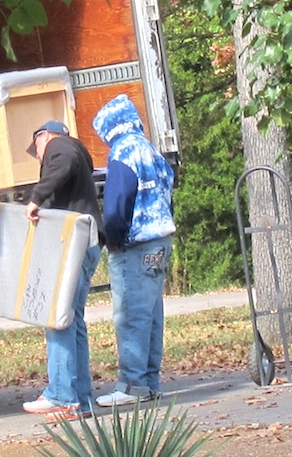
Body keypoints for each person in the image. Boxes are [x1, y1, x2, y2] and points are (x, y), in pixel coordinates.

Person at [91, 94, 176, 407]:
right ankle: (150, 381)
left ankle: (132, 385)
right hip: (160, 240)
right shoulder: (150, 150)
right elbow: (169, 190)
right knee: (151, 313)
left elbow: (116, 205)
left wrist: (112, 238)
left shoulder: (123, 153)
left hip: (135, 244)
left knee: (129, 314)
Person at [20, 120, 104, 422]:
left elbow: (62, 162)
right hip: (88, 244)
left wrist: (35, 198)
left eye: (38, 149)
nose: (40, 157)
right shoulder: (77, 154)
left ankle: (61, 395)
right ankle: (81, 401)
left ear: (44, 137)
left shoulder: (61, 146)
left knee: (57, 317)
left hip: (75, 244)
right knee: (73, 321)